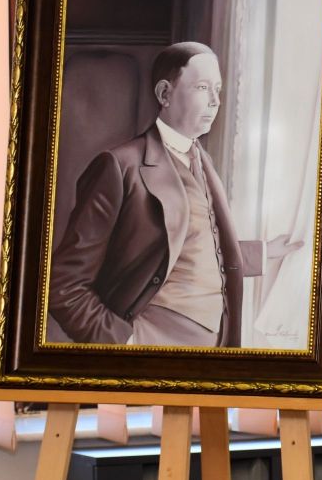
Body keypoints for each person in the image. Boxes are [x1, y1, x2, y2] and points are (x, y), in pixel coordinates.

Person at [49, 41, 297, 346]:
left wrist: (264, 252)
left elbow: (193, 246)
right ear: (165, 94)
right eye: (203, 88)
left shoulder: (201, 160)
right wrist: (127, 345)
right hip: (153, 348)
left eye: (218, 89)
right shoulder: (120, 166)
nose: (215, 101)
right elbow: (64, 285)